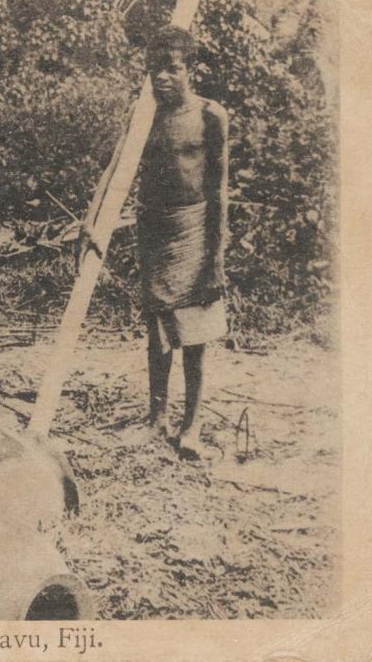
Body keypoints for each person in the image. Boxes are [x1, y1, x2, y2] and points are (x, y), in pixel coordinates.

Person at [80, 25, 229, 460]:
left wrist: (216, 260)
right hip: (154, 230)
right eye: (154, 70)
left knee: (195, 337)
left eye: (172, 69)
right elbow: (114, 168)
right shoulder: (144, 114)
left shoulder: (210, 115)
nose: (162, 78)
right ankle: (156, 419)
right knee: (158, 331)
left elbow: (220, 191)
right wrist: (90, 221)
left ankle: (192, 426)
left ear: (191, 69)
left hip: (195, 230)